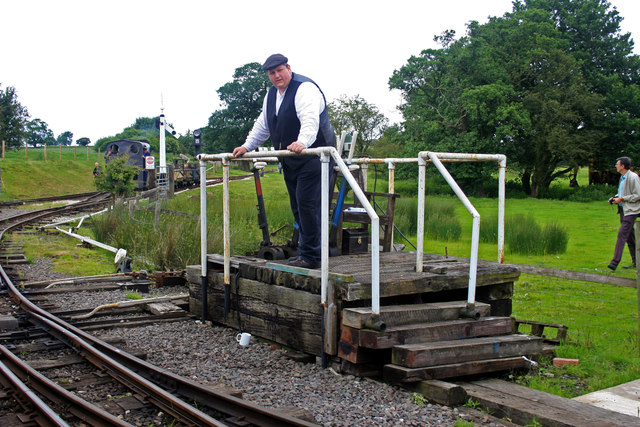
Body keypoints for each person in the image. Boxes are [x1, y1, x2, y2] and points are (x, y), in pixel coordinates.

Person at [232, 54, 336, 269]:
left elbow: (310, 119)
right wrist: (247, 146)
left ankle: (312, 256)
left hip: (314, 157)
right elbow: (264, 124)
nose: (276, 75)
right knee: (298, 207)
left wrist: (302, 142)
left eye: (280, 70)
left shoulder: (304, 88)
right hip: (290, 159)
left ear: (288, 68)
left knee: (309, 205)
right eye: (272, 73)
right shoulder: (271, 95)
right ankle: (306, 253)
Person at [607, 156, 640, 270]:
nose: (616, 166)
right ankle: (636, 262)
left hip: (631, 210)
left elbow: (637, 195)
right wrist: (615, 198)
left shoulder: (633, 177)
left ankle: (614, 262)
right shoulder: (623, 178)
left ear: (623, 166)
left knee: (622, 234)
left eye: (617, 164)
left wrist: (622, 199)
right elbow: (622, 193)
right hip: (623, 210)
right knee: (630, 238)